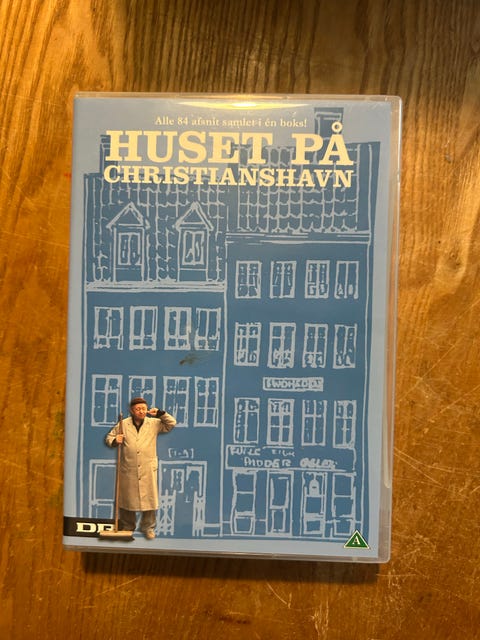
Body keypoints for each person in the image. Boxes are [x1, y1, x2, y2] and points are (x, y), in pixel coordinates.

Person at [105, 397, 176, 539]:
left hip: (147, 467)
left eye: (144, 408)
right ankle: (128, 526)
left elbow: (171, 423)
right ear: (132, 410)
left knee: (149, 499)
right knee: (127, 499)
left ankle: (148, 528)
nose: (141, 411)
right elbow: (109, 437)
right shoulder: (123, 424)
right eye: (138, 409)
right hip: (128, 467)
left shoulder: (154, 423)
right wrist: (115, 440)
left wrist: (160, 413)